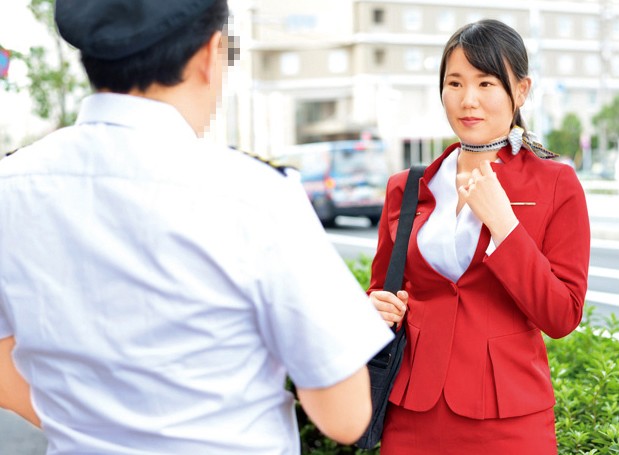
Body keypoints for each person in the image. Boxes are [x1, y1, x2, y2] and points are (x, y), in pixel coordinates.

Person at [0, 1, 393, 453]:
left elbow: (6, 374)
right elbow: (344, 416)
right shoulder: (256, 192)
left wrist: (93, 425)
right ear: (210, 53)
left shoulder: (11, 186)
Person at [369, 19, 590, 454]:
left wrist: (504, 226)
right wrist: (373, 307)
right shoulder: (406, 187)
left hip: (509, 420)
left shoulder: (556, 183)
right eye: (455, 83)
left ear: (521, 91)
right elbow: (381, 290)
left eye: (486, 83)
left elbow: (562, 315)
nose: (468, 99)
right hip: (411, 415)